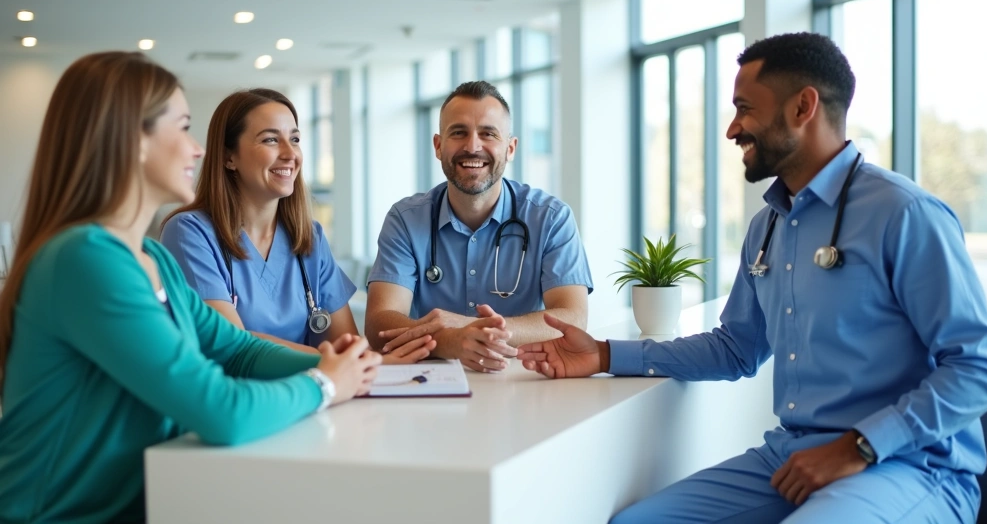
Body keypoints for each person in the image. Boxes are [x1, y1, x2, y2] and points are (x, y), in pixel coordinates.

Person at [516, 32, 987, 523]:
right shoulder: (768, 224)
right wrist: (604, 354)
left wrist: (857, 447)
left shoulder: (905, 214)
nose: (733, 129)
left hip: (908, 467)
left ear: (803, 107)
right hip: (794, 456)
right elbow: (736, 348)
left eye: (745, 108)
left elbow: (980, 368)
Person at [0, 52, 381, 523]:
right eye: (181, 128)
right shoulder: (85, 260)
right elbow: (223, 411)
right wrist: (325, 382)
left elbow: (237, 350)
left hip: (155, 501)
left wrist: (351, 366)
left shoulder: (151, 257)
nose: (197, 150)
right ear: (130, 140)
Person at [161, 89, 434, 364]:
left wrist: (359, 360)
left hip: (314, 399)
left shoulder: (309, 238)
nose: (290, 153)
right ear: (228, 157)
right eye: (270, 139)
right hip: (235, 400)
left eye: (295, 139)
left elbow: (345, 345)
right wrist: (341, 362)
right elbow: (230, 343)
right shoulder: (189, 233)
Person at [365, 81, 593, 373]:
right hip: (430, 390)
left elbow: (572, 319)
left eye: (488, 133)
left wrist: (470, 328)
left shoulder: (550, 218)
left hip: (524, 387)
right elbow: (380, 323)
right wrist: (451, 341)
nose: (472, 147)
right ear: (438, 145)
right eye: (458, 133)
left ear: (510, 148)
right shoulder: (407, 220)